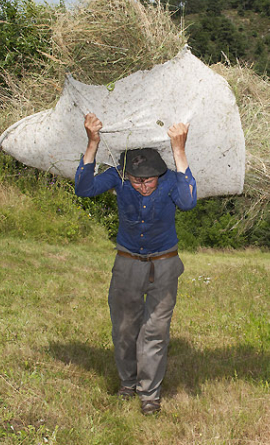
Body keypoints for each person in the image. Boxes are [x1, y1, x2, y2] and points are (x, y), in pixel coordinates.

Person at [75, 113, 197, 416]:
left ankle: (149, 394)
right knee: (125, 329)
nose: (143, 187)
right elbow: (83, 187)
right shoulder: (117, 176)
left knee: (155, 330)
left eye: (149, 180)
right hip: (127, 263)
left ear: (160, 173)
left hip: (165, 265)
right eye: (136, 181)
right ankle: (127, 383)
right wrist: (92, 143)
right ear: (126, 175)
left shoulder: (170, 181)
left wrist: (179, 150)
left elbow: (188, 201)